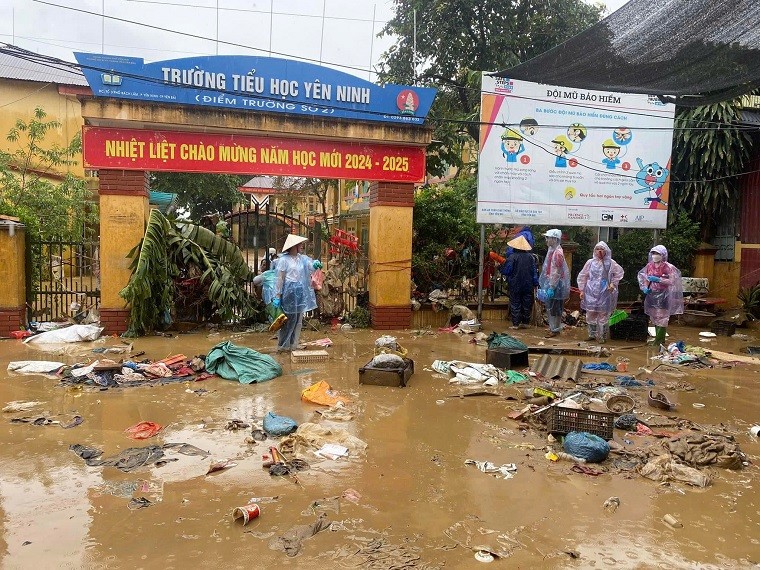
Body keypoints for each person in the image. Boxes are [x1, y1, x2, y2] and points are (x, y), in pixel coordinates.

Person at [272, 234, 322, 352]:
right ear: (294, 246)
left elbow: (310, 265)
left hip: (300, 292)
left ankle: (293, 344)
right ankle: (283, 346)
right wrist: (277, 296)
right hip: (289, 292)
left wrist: (316, 264)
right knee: (288, 320)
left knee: (298, 320)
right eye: (300, 244)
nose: (301, 246)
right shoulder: (284, 260)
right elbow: (280, 278)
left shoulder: (302, 258)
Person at [577, 241, 624, 343]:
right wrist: (582, 290)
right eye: (597, 249)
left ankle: (602, 336)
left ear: (606, 251)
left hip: (605, 292)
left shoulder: (611, 263)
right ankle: (592, 335)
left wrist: (613, 284)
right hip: (591, 292)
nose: (599, 251)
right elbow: (583, 276)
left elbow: (619, 273)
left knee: (603, 314)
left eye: (602, 249)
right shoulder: (590, 262)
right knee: (590, 313)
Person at [637, 245, 684, 347]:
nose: (655, 256)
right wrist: (645, 288)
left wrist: (659, 280)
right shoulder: (649, 266)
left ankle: (659, 340)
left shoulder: (668, 267)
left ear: (663, 255)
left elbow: (672, 281)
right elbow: (645, 278)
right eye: (653, 253)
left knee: (662, 317)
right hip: (652, 294)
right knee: (654, 316)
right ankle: (659, 339)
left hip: (664, 295)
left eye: (657, 253)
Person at [501, 234, 538, 329]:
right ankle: (525, 323)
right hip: (528, 284)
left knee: (515, 303)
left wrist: (500, 267)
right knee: (526, 303)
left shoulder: (512, 257)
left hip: (515, 284)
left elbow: (507, 271)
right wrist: (535, 283)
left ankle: (516, 324)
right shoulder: (530, 257)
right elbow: (534, 271)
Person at [538, 229, 570, 338]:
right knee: (552, 307)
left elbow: (557, 272)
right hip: (553, 283)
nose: (546, 240)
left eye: (548, 238)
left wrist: (551, 286)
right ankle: (553, 328)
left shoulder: (557, 253)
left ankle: (555, 330)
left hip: (556, 285)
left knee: (555, 308)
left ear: (554, 239)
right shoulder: (552, 251)